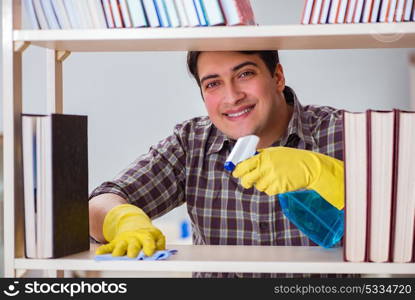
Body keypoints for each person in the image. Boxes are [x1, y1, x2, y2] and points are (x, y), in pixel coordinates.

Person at [89, 50, 349, 278]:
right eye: (213, 83)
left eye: (245, 74)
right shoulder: (191, 143)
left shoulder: (343, 132)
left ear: (278, 77)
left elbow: (390, 219)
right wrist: (123, 220)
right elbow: (99, 203)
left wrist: (323, 173)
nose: (232, 96)